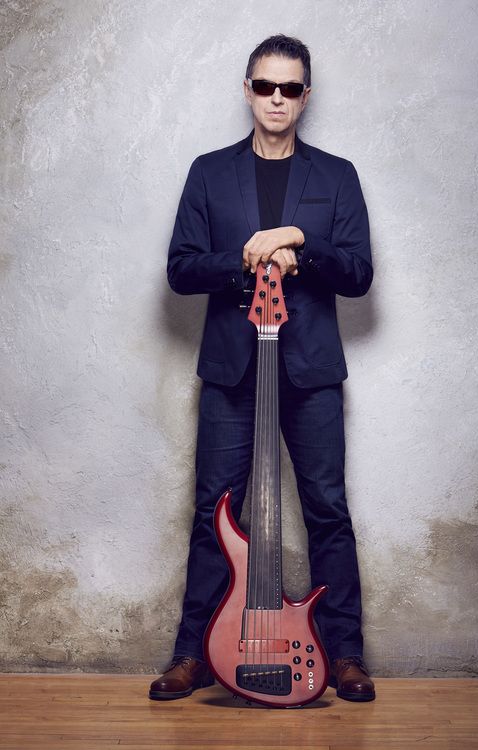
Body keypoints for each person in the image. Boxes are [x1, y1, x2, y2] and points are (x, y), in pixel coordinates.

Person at [149, 34, 375, 703]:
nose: (277, 99)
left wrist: (302, 242)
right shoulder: (208, 172)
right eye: (265, 86)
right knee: (213, 512)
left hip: (309, 370)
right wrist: (243, 259)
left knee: (327, 510)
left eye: (290, 88)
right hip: (232, 370)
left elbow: (359, 274)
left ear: (306, 96)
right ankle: (194, 654)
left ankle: (345, 655)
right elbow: (181, 269)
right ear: (248, 91)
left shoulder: (336, 176)